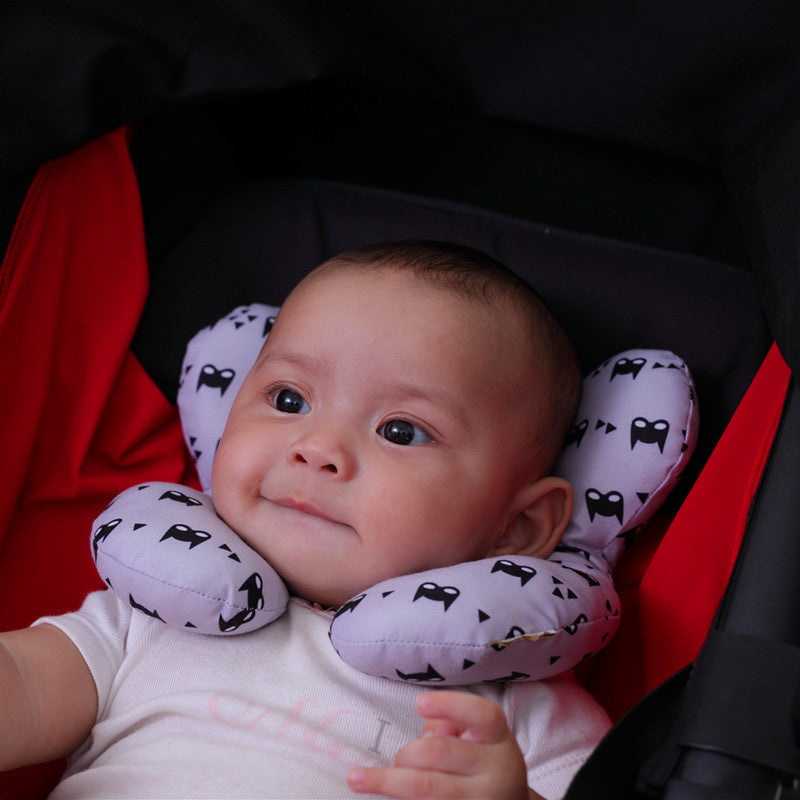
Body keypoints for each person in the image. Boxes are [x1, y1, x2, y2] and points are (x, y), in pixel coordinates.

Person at [0, 241, 610, 799]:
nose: (316, 448)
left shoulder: (510, 698)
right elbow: (22, 687)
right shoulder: (155, 616)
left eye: (400, 431)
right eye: (288, 400)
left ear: (519, 528)